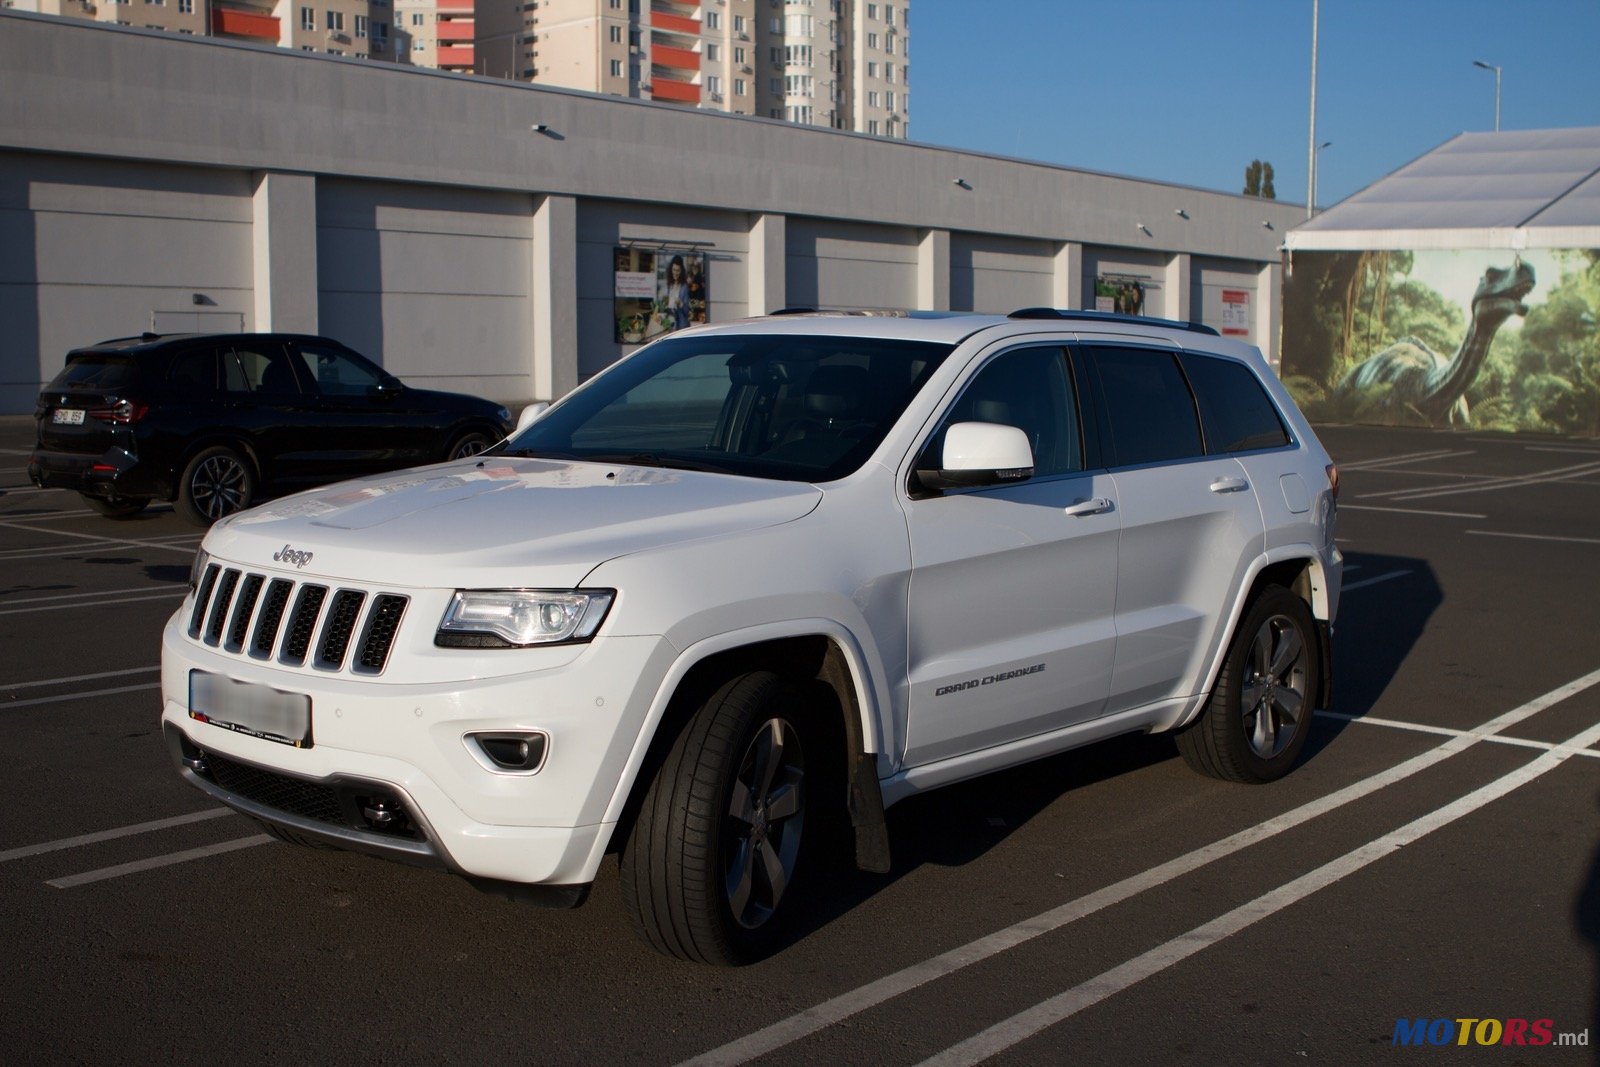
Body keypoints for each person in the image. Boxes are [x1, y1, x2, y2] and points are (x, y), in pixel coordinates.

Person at [663, 255, 691, 331]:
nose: (675, 273)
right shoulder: (669, 285)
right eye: (674, 270)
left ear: (681, 271)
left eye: (678, 270)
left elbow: (687, 311)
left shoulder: (684, 287)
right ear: (671, 270)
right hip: (669, 323)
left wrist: (680, 303)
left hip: (680, 325)